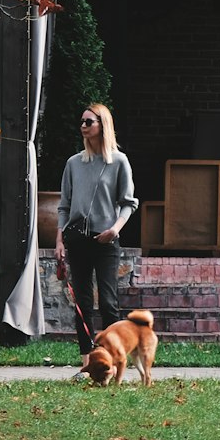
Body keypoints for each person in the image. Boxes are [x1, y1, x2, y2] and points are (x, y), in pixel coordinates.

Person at [54, 101, 138, 375]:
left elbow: (129, 202)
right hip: (77, 240)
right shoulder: (73, 163)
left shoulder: (119, 162)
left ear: (103, 125)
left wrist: (116, 228)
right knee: (82, 304)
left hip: (106, 240)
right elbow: (64, 206)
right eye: (81, 122)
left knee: (108, 302)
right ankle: (88, 363)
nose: (83, 126)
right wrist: (59, 241)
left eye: (89, 122)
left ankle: (115, 360)